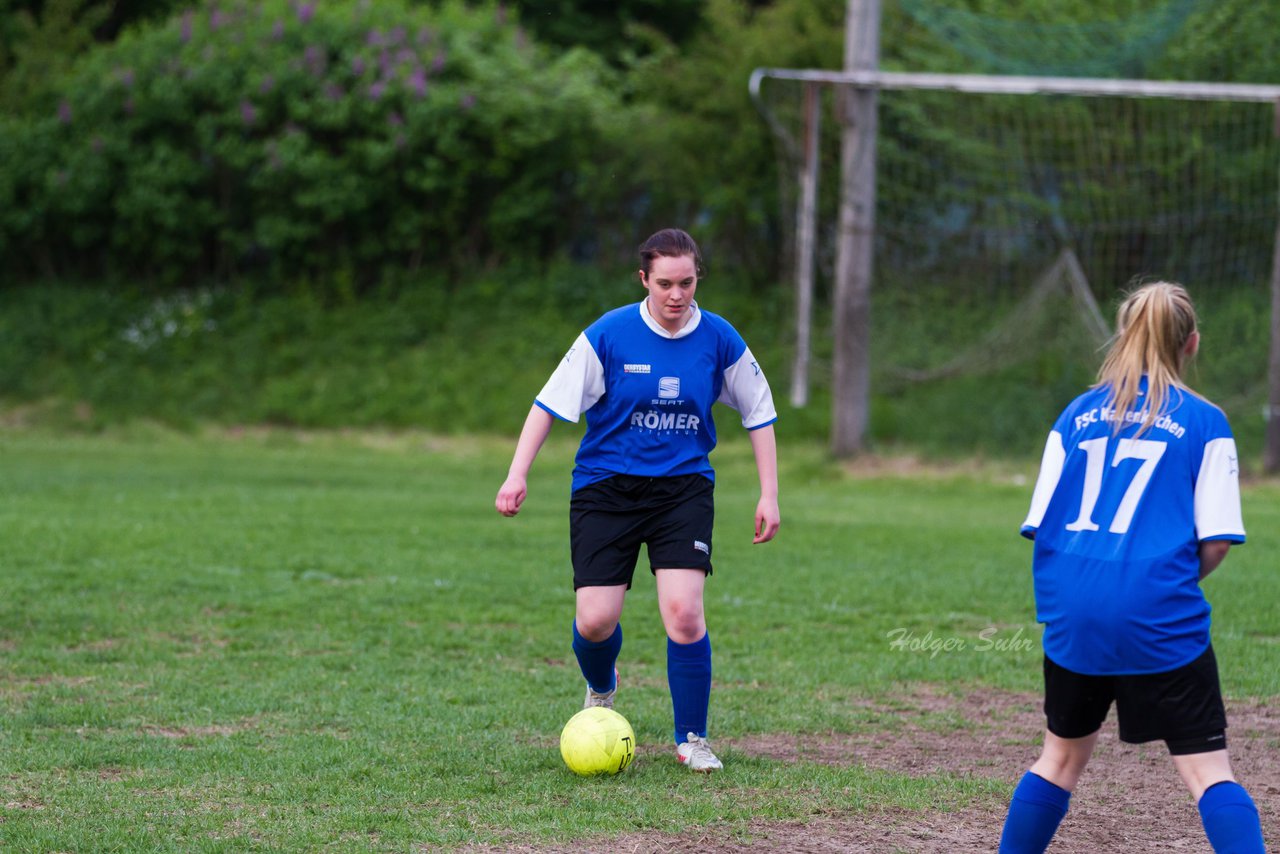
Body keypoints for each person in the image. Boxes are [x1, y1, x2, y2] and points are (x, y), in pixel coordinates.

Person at [494, 227, 780, 773]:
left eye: (688, 283)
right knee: (596, 621)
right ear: (644, 279)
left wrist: (769, 493)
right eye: (666, 283)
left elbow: (759, 411)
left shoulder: (719, 339)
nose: (677, 296)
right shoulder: (610, 335)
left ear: (698, 279)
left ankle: (692, 738)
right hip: (607, 488)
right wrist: (516, 474)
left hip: (683, 489)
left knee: (684, 613)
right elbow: (548, 404)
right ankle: (602, 684)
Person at [999, 282, 1265, 853]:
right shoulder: (1206, 421)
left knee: (1060, 758)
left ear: (1123, 336)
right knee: (1208, 772)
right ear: (1190, 344)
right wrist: (1152, 585)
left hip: (1074, 605)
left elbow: (1041, 523)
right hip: (1155, 608)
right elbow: (1216, 542)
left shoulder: (1073, 415)